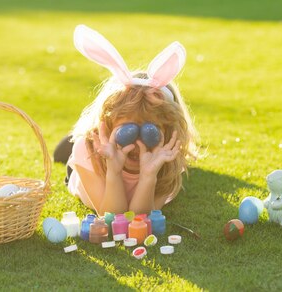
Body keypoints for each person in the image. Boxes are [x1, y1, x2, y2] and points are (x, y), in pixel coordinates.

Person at [54, 25, 198, 215]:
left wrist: (148, 176)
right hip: (95, 162)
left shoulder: (167, 159)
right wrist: (113, 169)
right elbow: (113, 217)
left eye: (149, 133)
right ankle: (76, 137)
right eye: (127, 131)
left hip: (144, 162)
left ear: (168, 133)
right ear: (108, 123)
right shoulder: (88, 150)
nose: (137, 144)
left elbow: (138, 219)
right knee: (62, 152)